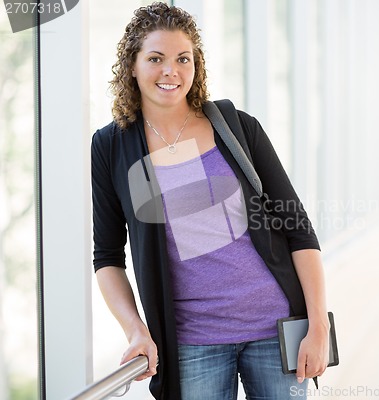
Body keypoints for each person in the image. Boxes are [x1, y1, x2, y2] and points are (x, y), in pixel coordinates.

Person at [91, 3, 330, 399]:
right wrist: (136, 331)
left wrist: (318, 327)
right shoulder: (111, 146)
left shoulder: (236, 127)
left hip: (275, 329)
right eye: (156, 58)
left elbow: (299, 231)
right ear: (131, 66)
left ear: (196, 65)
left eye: (183, 58)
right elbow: (108, 257)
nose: (172, 70)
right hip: (191, 343)